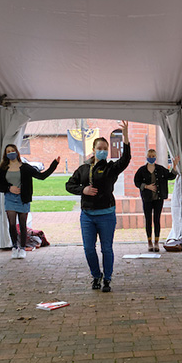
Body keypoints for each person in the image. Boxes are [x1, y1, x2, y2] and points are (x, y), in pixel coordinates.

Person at [66, 121, 131, 292]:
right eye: (99, 148)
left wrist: (125, 136)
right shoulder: (83, 169)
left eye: (105, 149)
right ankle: (96, 275)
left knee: (106, 249)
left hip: (106, 215)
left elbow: (125, 159)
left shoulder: (111, 168)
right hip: (87, 216)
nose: (102, 151)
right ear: (93, 150)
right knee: (88, 248)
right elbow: (69, 185)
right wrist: (83, 190)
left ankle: (107, 278)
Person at [0, 144, 59, 259]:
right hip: (10, 199)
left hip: (23, 199)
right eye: (8, 151)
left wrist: (54, 164)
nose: (11, 153)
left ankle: (22, 248)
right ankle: (14, 247)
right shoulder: (3, 169)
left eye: (13, 151)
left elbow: (41, 176)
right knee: (12, 224)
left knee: (23, 225)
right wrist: (9, 188)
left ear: (17, 152)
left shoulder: (25, 167)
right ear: (5, 154)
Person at [133, 148, 177, 252]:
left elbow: (171, 176)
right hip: (147, 198)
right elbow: (136, 182)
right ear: (146, 157)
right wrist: (146, 186)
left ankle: (157, 242)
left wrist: (174, 166)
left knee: (157, 220)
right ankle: (149, 242)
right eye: (149, 156)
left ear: (156, 157)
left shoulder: (161, 169)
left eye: (153, 156)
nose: (151, 158)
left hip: (158, 198)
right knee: (148, 220)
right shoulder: (142, 170)